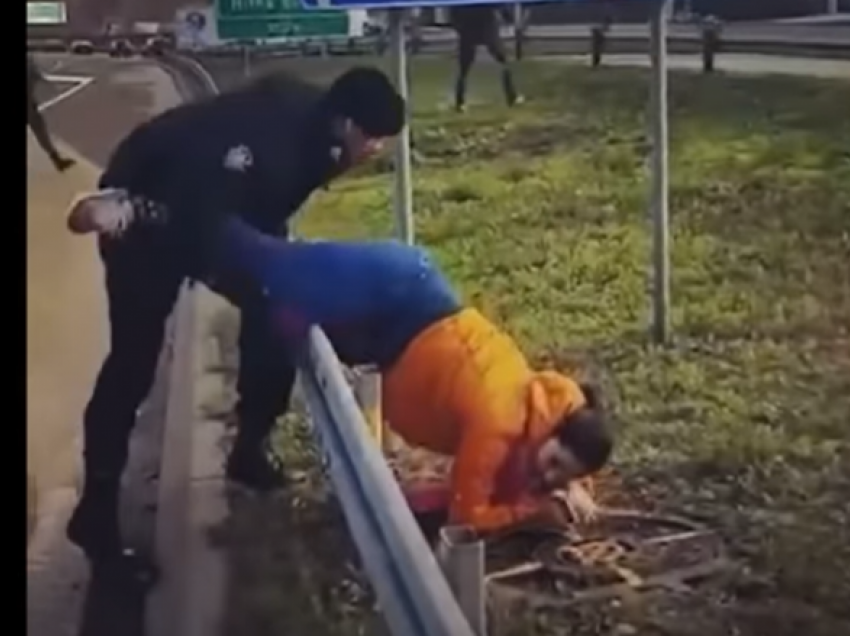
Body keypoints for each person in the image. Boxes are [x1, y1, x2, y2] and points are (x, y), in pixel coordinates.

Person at [70, 212, 613, 535]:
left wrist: (574, 485)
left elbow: (568, 439)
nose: (549, 479)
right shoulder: (499, 423)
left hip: (398, 326)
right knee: (266, 263)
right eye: (553, 465)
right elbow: (470, 514)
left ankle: (169, 244)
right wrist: (533, 508)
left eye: (560, 477)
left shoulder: (557, 405)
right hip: (401, 299)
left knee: (265, 293)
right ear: (550, 434)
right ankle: (147, 214)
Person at [64, 67, 405, 577]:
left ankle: (249, 447)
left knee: (275, 311)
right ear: (345, 125)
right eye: (372, 138)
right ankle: (95, 516)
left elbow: (259, 211)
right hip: (146, 206)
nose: (376, 150)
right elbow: (205, 227)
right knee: (133, 363)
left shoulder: (315, 128)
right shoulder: (272, 146)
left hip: (212, 206)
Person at [449, 4, 523, 112]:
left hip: (472, 27)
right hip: (483, 26)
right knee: (503, 61)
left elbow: (454, 12)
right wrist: (508, 17)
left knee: (464, 68)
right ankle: (511, 96)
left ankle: (460, 101)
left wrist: (458, 25)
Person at [27, 54, 75, 172]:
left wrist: (45, 82)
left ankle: (57, 160)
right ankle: (57, 160)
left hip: (29, 103)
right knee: (40, 131)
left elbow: (35, 74)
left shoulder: (28, 59)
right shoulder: (28, 60)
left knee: (40, 131)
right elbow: (35, 74)